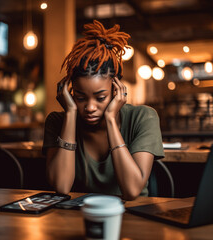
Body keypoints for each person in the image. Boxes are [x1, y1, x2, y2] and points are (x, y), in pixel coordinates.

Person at [42, 20, 164, 200]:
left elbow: (131, 191)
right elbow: (61, 186)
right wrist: (70, 114)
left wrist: (111, 119)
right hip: (78, 217)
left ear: (117, 90)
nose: (90, 107)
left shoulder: (144, 117)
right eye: (80, 97)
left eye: (100, 98)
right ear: (70, 92)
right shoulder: (57, 121)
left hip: (132, 216)